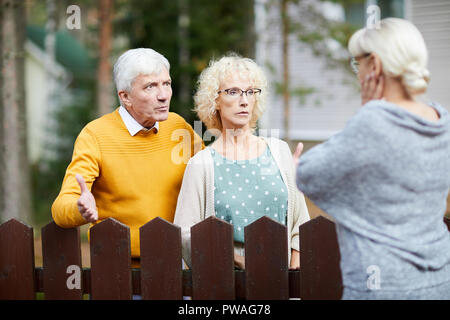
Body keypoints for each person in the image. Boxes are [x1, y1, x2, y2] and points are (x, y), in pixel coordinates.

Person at [295, 18, 450, 299]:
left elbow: (308, 174)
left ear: (375, 65)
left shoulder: (373, 122)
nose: (357, 73)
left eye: (358, 63)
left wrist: (368, 110)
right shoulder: (442, 121)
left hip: (382, 284)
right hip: (439, 280)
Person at [52, 48, 204, 261]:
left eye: (166, 84)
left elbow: (212, 177)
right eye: (150, 87)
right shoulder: (95, 135)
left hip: (176, 266)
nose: (163, 96)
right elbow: (60, 209)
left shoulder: (178, 127)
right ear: (125, 97)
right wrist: (80, 208)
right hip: (119, 272)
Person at [173, 54, 310, 270]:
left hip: (282, 282)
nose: (244, 100)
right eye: (233, 92)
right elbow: (186, 234)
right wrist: (238, 262)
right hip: (224, 285)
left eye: (250, 92)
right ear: (215, 100)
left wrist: (294, 275)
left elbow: (300, 223)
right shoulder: (201, 164)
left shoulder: (279, 151)